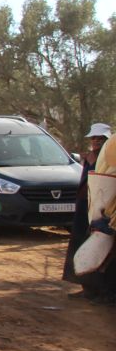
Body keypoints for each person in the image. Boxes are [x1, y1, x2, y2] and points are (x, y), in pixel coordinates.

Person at [65, 123, 116, 304]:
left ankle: (105, 293)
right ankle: (87, 288)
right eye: (94, 138)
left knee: (104, 252)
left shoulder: (110, 158)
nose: (96, 141)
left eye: (100, 139)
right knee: (80, 244)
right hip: (85, 207)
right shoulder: (89, 158)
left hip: (105, 210)